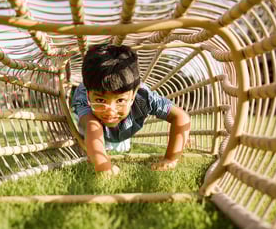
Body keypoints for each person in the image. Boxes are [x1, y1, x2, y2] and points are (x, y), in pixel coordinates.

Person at [71, 44, 190, 176]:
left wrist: (170, 159)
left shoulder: (144, 98)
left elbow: (181, 117)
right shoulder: (84, 98)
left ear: (133, 96)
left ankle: (114, 134)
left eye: (120, 100)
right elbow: (92, 128)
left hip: (125, 127)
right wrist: (104, 167)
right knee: (91, 143)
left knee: (120, 147)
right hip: (92, 123)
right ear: (88, 95)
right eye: (101, 100)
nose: (110, 111)